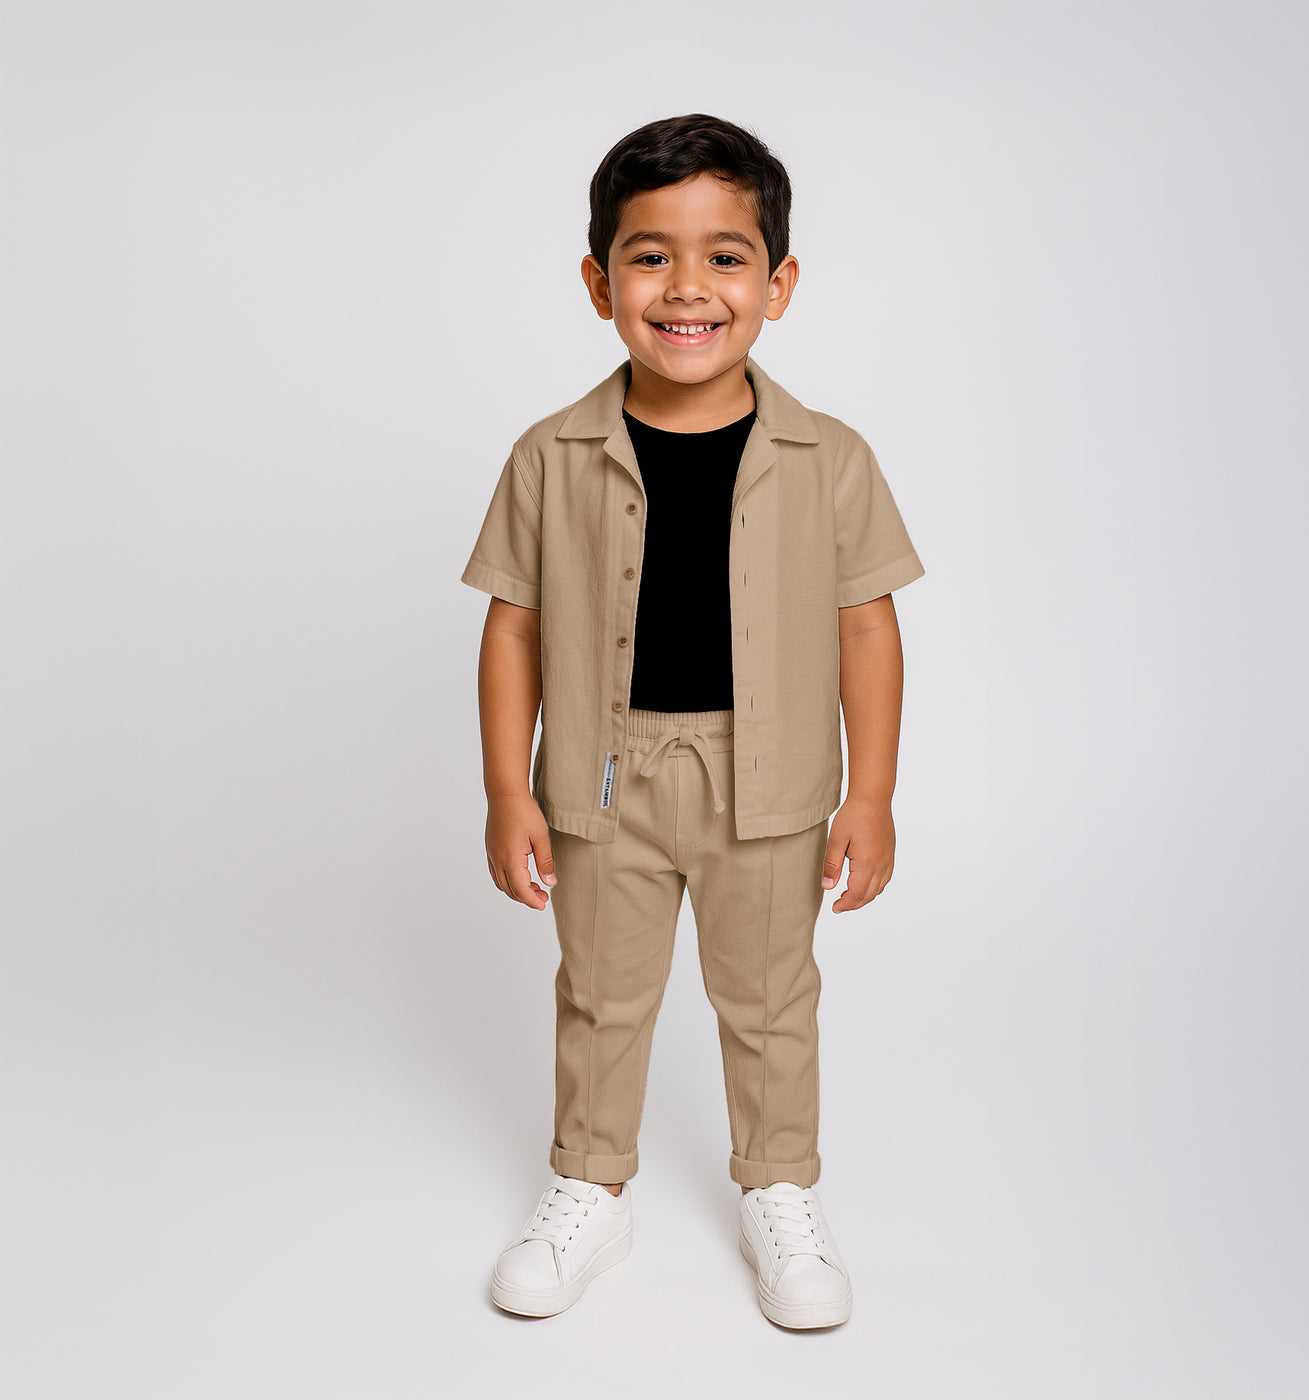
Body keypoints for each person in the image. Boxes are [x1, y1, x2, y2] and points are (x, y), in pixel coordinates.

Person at [460, 113, 925, 1329]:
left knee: (768, 996)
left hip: (768, 780)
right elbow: (512, 626)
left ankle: (778, 1187)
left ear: (777, 283)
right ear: (597, 282)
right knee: (599, 991)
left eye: (724, 256)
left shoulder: (827, 456)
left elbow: (865, 627)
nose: (685, 287)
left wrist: (869, 793)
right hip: (600, 775)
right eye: (649, 255)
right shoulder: (549, 454)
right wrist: (507, 789)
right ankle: (590, 1183)